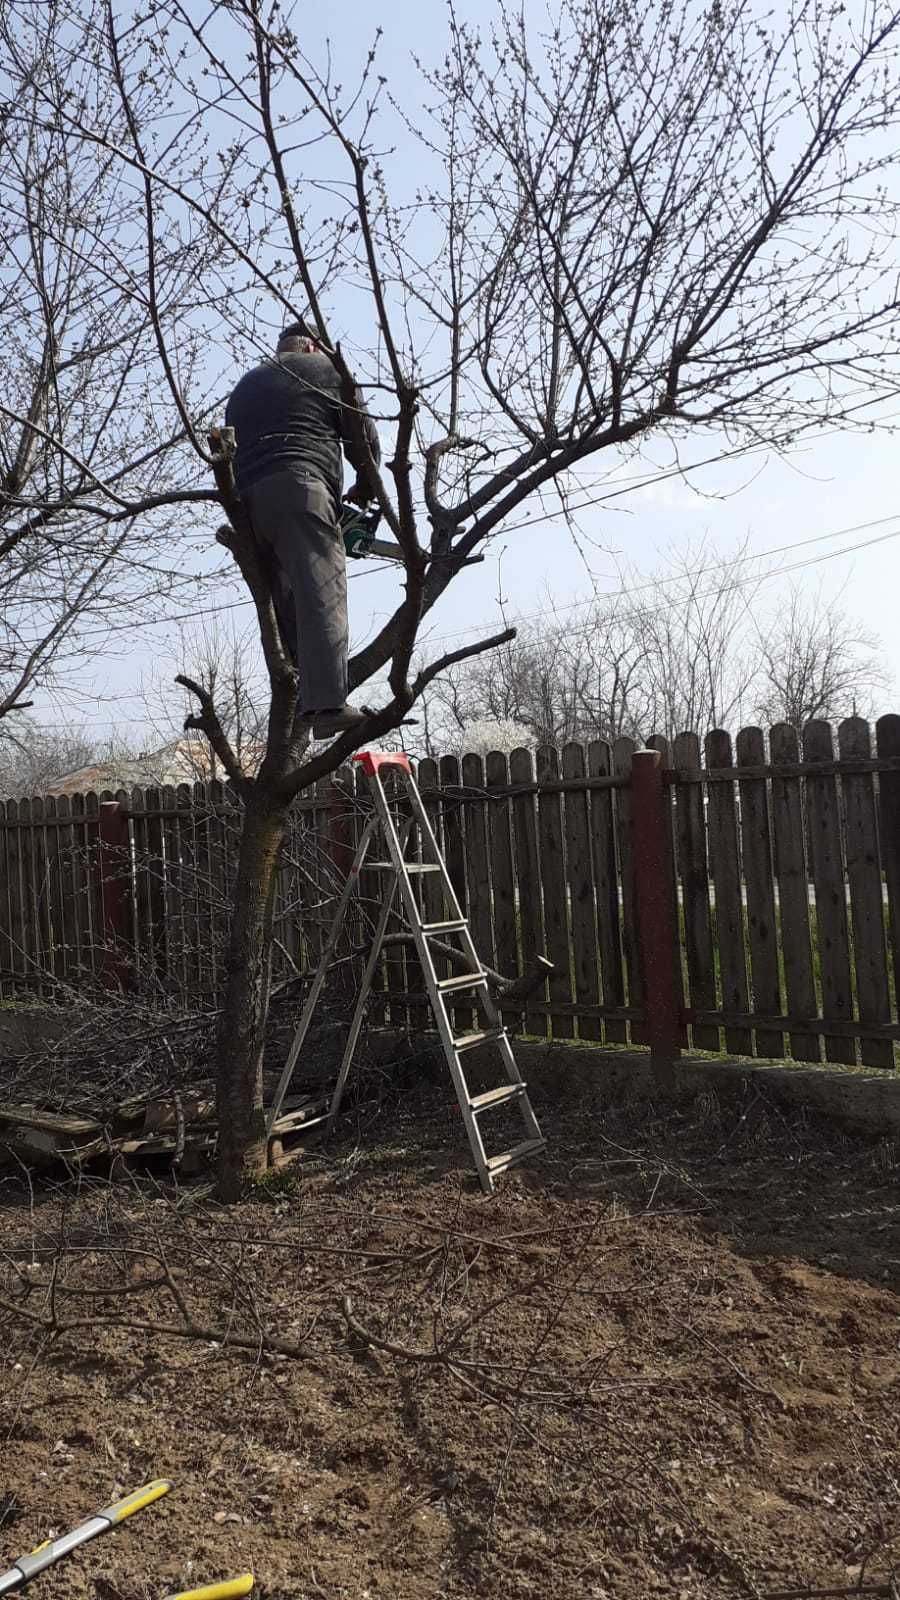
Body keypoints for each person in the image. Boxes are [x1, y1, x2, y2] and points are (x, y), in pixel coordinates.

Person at [225, 323, 381, 738]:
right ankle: (327, 703)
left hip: (248, 506)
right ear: (313, 346)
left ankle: (300, 692)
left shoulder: (246, 385)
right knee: (323, 592)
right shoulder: (325, 369)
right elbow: (362, 437)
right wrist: (365, 489)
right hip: (301, 488)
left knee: (288, 603)